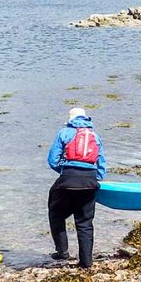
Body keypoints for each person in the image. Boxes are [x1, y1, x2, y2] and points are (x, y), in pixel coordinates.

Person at [46, 107, 105, 267]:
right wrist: (95, 179)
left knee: (56, 214)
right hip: (90, 182)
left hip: (67, 180)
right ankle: (86, 262)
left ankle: (62, 252)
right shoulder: (95, 136)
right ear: (86, 119)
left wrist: (65, 172)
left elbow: (52, 160)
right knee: (85, 223)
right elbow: (101, 164)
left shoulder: (64, 133)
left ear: (70, 119)